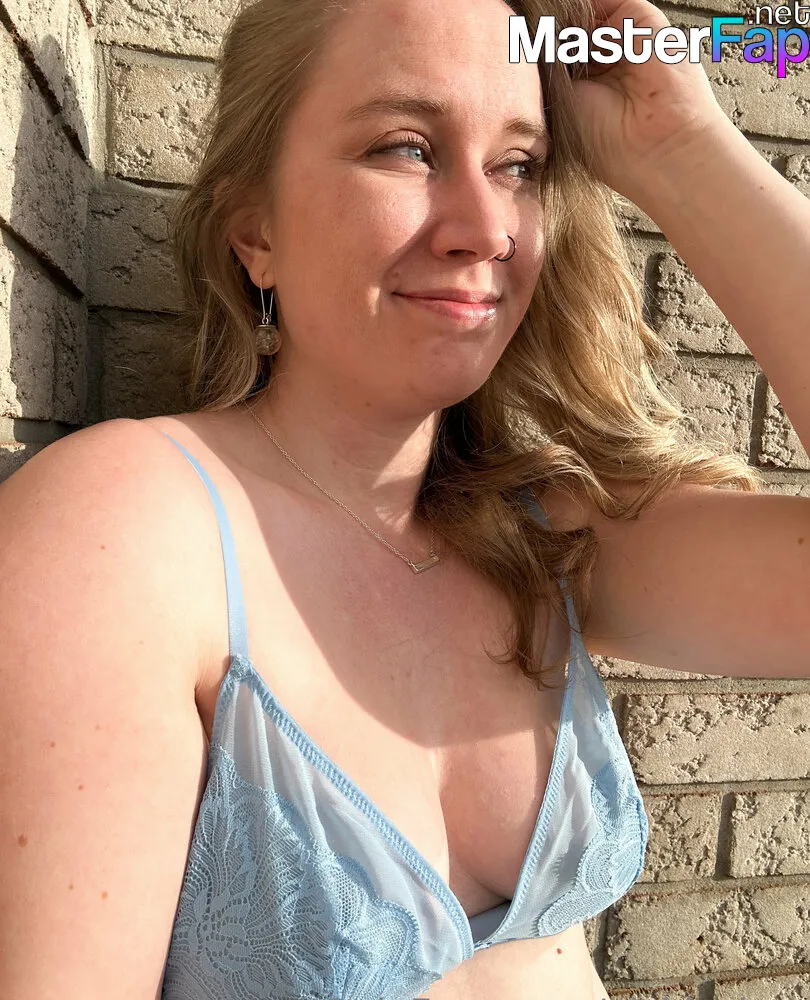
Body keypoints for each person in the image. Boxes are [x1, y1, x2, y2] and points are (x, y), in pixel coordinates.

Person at [1, 0, 809, 995]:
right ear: (255, 229)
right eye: (406, 148)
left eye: (518, 165)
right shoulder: (128, 530)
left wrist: (680, 147)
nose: (487, 230)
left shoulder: (541, 535)